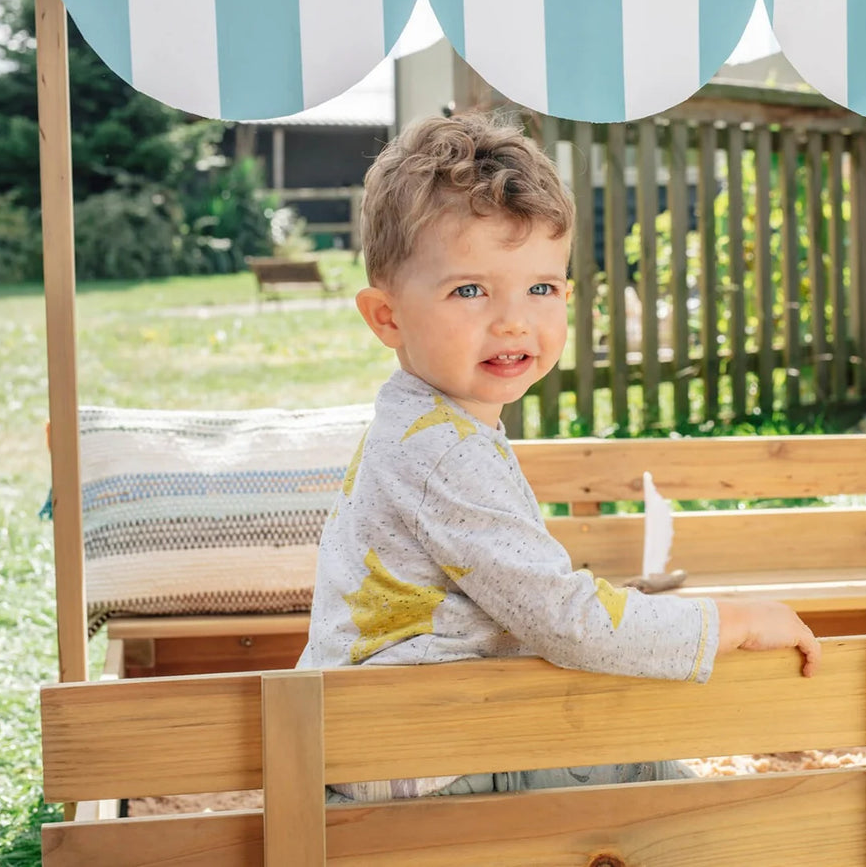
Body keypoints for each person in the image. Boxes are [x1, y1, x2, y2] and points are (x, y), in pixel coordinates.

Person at [299, 113, 820, 800]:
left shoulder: (428, 422)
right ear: (387, 316)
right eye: (469, 289)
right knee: (660, 787)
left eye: (540, 287)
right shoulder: (440, 451)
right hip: (421, 755)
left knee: (635, 731)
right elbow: (566, 623)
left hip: (395, 737)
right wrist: (737, 620)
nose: (513, 319)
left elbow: (530, 597)